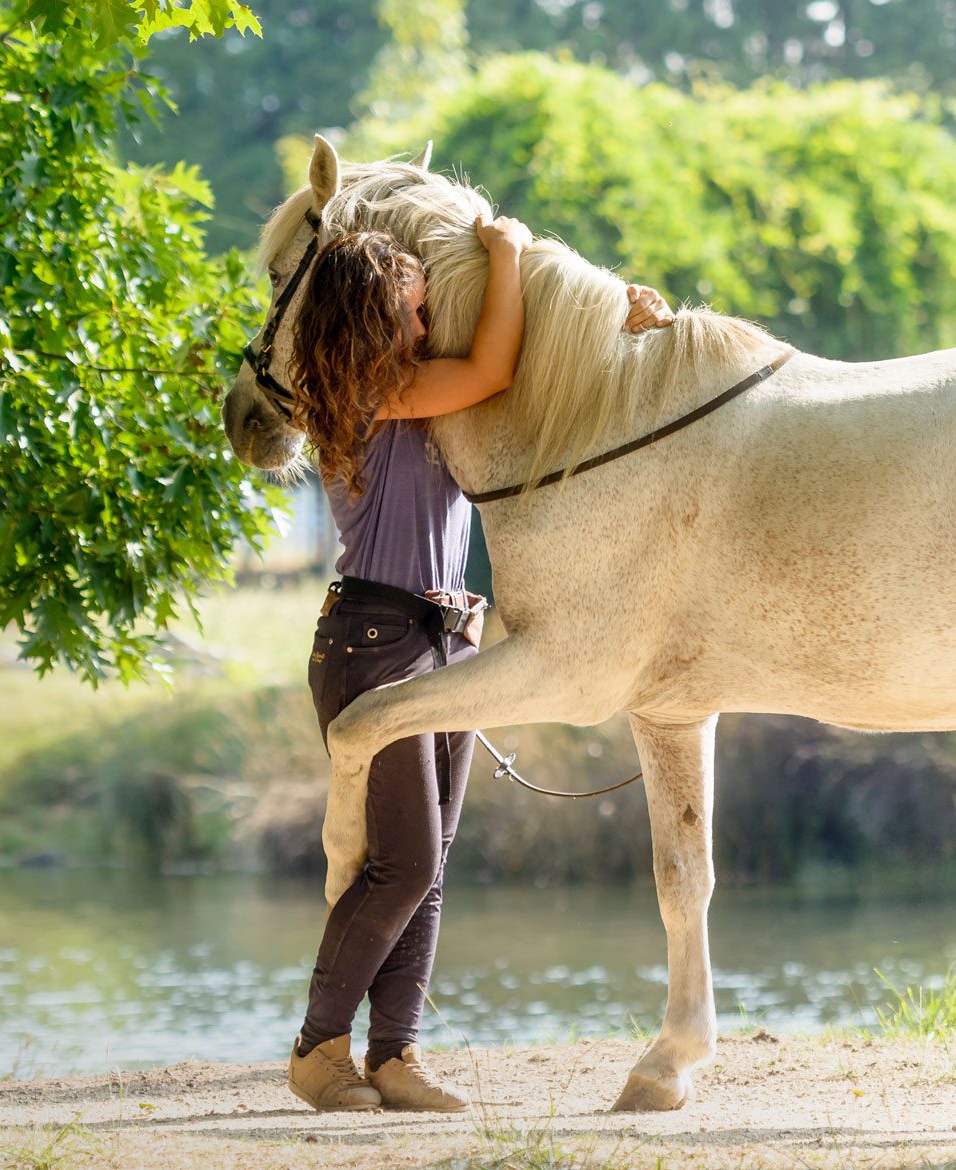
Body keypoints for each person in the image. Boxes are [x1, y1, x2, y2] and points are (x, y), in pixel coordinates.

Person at [282, 214, 675, 1112]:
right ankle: (317, 1049)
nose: (427, 329)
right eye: (416, 314)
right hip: (376, 639)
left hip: (446, 637)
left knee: (428, 860)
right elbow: (494, 365)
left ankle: (393, 1056)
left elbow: (525, 382)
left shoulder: (429, 395)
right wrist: (506, 254)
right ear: (374, 319)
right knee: (405, 863)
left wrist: (622, 322)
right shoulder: (367, 393)